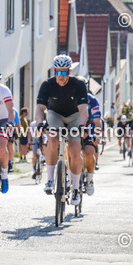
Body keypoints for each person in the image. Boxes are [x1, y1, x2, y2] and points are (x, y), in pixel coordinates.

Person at [35, 54, 88, 206]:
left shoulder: (78, 84)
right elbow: (40, 108)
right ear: (54, 71)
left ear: (69, 72)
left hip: (74, 117)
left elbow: (83, 109)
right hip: (55, 115)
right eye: (58, 72)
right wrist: (40, 124)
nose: (61, 76)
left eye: (64, 72)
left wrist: (82, 126)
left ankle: (76, 188)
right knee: (52, 139)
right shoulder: (47, 85)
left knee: (74, 150)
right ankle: (50, 180)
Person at [0, 68, 15, 194]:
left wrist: (10, 123)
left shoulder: (4, 90)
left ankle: (4, 175)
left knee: (1, 145)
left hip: (3, 120)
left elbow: (11, 109)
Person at [81, 92, 102, 194]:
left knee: (89, 153)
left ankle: (89, 179)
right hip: (74, 129)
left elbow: (97, 121)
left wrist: (97, 134)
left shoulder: (92, 100)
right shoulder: (68, 96)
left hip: (89, 129)